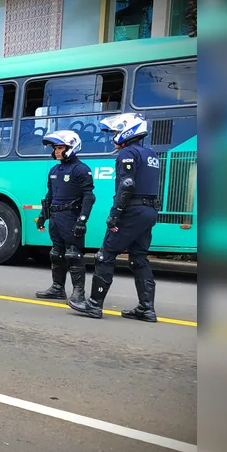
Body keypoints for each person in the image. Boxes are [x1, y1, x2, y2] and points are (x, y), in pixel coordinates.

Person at [68, 113, 161, 322]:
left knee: (105, 255)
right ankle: (147, 309)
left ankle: (94, 305)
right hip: (149, 211)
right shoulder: (151, 154)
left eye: (117, 132)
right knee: (139, 258)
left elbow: (127, 185)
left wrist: (115, 214)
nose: (114, 137)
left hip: (132, 211)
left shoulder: (127, 153)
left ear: (128, 131)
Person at [34, 130, 95, 305]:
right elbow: (50, 195)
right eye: (55, 148)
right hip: (55, 216)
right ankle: (57, 288)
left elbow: (89, 197)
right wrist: (42, 217)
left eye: (60, 147)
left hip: (71, 217)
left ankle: (78, 294)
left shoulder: (81, 169)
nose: (56, 151)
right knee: (56, 253)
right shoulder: (54, 170)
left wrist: (82, 220)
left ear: (72, 147)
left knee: (73, 255)